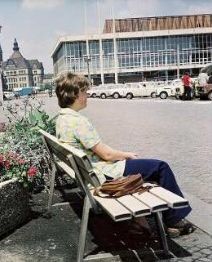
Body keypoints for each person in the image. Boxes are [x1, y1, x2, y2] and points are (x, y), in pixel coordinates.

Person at [55, 72, 195, 238]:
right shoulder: (79, 121)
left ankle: (148, 219)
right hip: (105, 174)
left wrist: (120, 154)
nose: (87, 95)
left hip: (91, 173)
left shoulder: (61, 119)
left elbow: (99, 150)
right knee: (160, 167)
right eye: (85, 92)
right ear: (75, 95)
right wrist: (126, 155)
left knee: (149, 168)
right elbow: (106, 154)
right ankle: (174, 221)